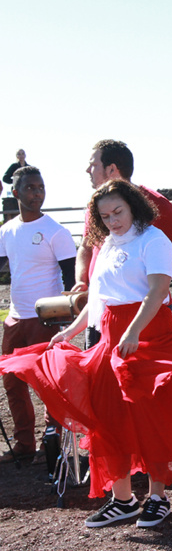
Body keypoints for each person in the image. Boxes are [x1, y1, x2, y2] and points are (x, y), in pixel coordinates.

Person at [0, 180, 172, 528]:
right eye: (105, 216)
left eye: (118, 212)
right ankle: (123, 499)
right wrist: (70, 331)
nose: (113, 221)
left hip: (150, 334)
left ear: (133, 207)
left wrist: (133, 331)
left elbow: (158, 290)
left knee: (151, 415)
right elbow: (99, 297)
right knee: (108, 418)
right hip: (111, 337)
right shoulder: (107, 244)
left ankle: (158, 497)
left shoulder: (153, 239)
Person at [73, 140, 172, 349]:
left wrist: (135, 280)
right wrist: (82, 280)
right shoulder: (95, 206)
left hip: (143, 311)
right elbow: (86, 246)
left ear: (112, 169)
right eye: (105, 216)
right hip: (102, 309)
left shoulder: (157, 204)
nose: (87, 170)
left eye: (93, 164)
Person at [0, 167, 77, 464]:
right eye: (31, 188)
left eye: (41, 187)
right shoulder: (7, 231)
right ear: (16, 193)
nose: (37, 193)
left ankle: (51, 443)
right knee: (12, 382)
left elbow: (72, 280)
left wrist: (67, 319)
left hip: (47, 318)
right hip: (15, 318)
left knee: (49, 383)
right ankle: (23, 443)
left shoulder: (56, 232)